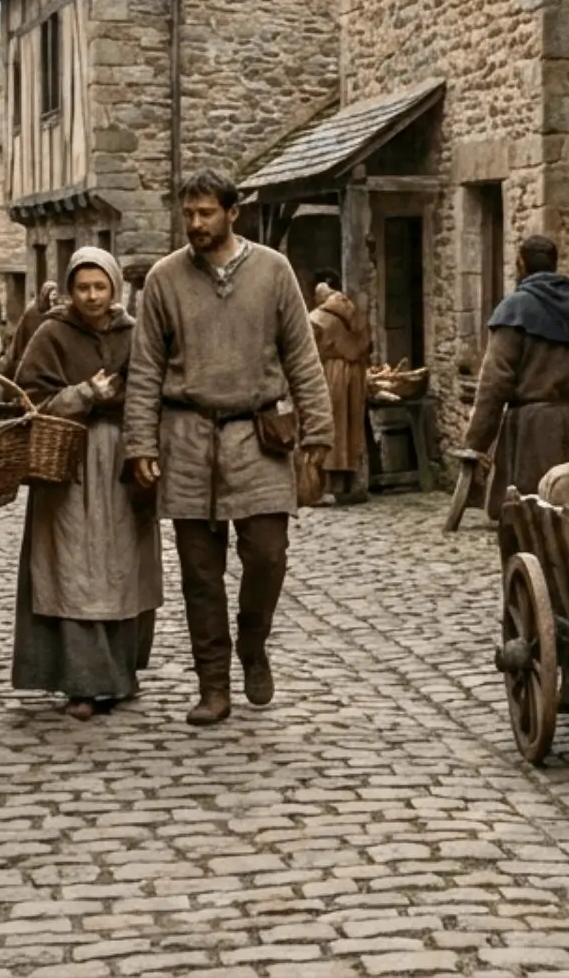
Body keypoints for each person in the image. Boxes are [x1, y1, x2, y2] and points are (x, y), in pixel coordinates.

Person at [123, 171, 333, 726]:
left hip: (258, 437)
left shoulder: (273, 271)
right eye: (188, 214)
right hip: (187, 438)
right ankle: (213, 684)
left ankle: (253, 641)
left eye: (206, 213)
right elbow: (144, 370)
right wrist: (141, 442)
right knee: (199, 572)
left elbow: (302, 357)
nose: (195, 224)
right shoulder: (165, 280)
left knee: (268, 553)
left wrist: (319, 433)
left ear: (231, 213)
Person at [10, 248, 158, 720]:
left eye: (100, 286)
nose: (92, 296)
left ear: (114, 287)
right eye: (83, 287)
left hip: (121, 462)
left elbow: (155, 388)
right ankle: (80, 683)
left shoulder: (134, 334)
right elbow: (26, 398)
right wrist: (82, 395)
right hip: (68, 466)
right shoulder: (52, 334)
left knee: (120, 569)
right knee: (73, 570)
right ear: (69, 290)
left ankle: (119, 676)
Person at [460, 235, 569, 519]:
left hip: (532, 434)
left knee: (530, 521)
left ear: (522, 264)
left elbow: (494, 385)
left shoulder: (513, 309)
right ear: (554, 265)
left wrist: (475, 444)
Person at [303, 274, 373, 506]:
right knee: (349, 428)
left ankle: (323, 485)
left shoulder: (316, 319)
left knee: (328, 425)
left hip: (329, 375)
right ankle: (349, 484)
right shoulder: (356, 317)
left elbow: (307, 353)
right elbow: (365, 347)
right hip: (354, 376)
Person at [3, 281, 61, 379]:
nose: (52, 301)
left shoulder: (57, 312)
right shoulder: (33, 312)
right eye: (51, 295)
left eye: (55, 296)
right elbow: (24, 336)